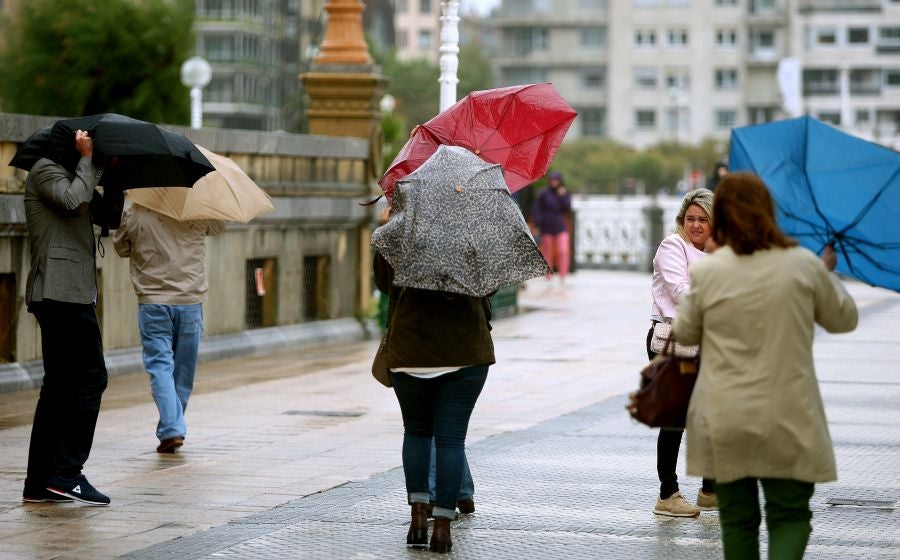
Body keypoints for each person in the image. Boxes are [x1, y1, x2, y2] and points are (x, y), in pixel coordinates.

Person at [673, 173, 858, 559]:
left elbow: (685, 331)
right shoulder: (802, 266)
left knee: (738, 520)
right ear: (768, 213)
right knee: (789, 515)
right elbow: (844, 319)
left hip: (726, 416)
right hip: (788, 415)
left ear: (721, 217)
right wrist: (826, 273)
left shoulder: (709, 270)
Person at [22, 130, 124, 506]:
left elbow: (108, 215)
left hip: (71, 293)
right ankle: (67, 474)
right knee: (91, 377)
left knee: (60, 388)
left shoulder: (75, 176)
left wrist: (114, 175)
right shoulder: (45, 171)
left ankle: (40, 483)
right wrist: (91, 161)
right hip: (57, 291)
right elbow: (71, 200)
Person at [373, 252, 494, 553]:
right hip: (463, 352)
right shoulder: (472, 229)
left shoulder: (399, 230)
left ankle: (417, 519)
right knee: (451, 441)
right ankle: (441, 528)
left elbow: (385, 284)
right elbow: (490, 287)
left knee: (416, 432)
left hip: (409, 351)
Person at [113, 201, 224, 453]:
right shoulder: (196, 204)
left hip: (153, 302)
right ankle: (171, 429)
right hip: (190, 300)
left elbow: (120, 247)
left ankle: (171, 428)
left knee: (160, 367)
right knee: (183, 373)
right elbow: (218, 226)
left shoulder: (136, 208)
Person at [647, 187, 717, 518]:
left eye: (703, 219)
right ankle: (667, 494)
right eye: (690, 218)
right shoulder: (673, 246)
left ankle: (710, 489)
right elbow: (679, 291)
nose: (696, 225)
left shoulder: (721, 252)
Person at [530, 170, 572, 285]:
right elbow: (536, 210)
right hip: (546, 227)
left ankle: (563, 276)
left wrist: (562, 196)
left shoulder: (564, 192)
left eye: (556, 180)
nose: (554, 182)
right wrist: (537, 224)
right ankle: (548, 276)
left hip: (560, 226)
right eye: (552, 180)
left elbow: (567, 208)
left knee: (563, 250)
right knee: (547, 252)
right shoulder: (543, 194)